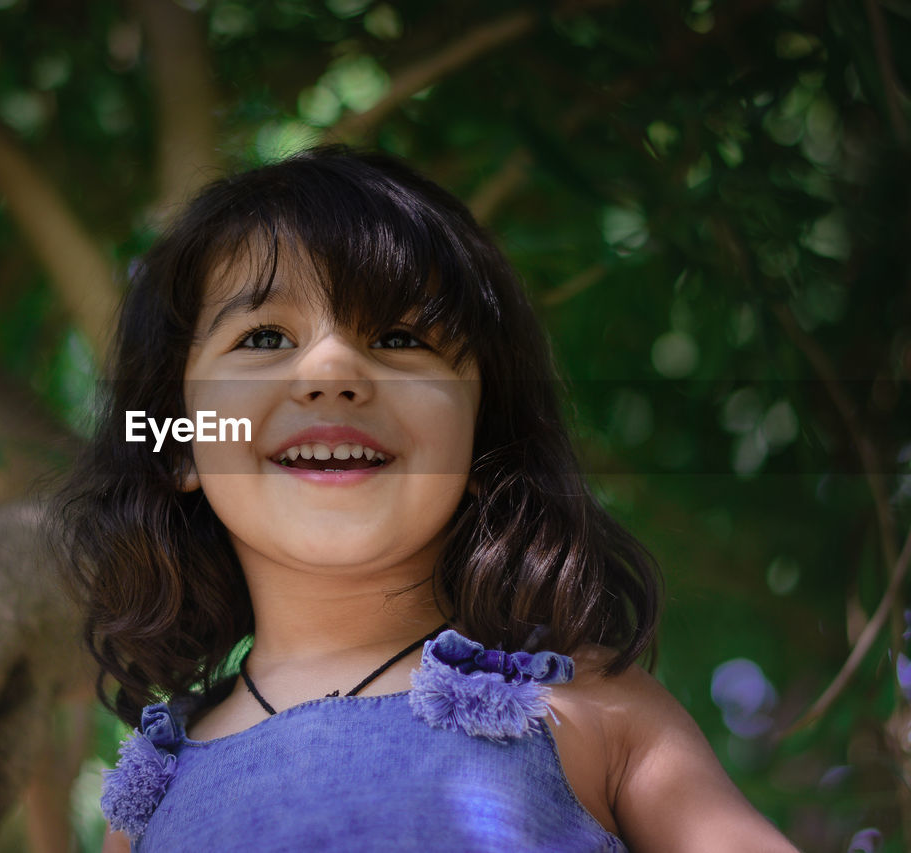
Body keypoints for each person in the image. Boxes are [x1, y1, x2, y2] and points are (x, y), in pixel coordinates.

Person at [47, 145, 799, 852]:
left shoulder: (587, 706)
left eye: (402, 337)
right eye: (265, 336)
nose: (333, 368)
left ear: (483, 442)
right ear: (181, 441)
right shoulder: (148, 801)